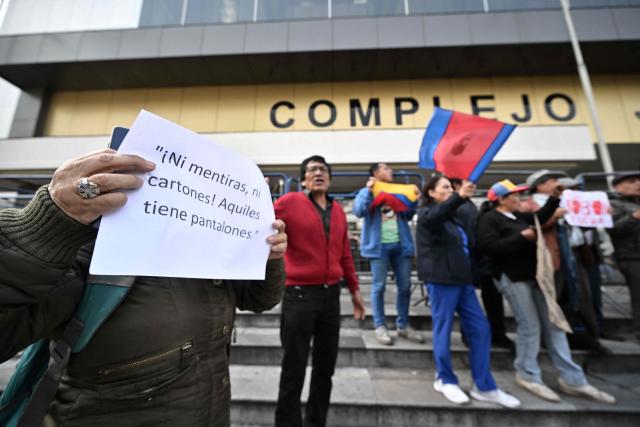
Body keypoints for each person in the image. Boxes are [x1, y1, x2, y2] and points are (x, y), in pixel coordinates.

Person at [0, 148, 288, 426]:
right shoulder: (93, 254)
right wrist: (46, 225)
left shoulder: (209, 257)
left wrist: (270, 257)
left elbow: (259, 300)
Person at [477, 179, 615, 404]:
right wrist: (520, 238)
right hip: (513, 278)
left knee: (553, 323)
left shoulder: (519, 217)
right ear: (501, 199)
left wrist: (554, 198)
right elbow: (488, 248)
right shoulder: (489, 219)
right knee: (530, 325)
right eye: (514, 195)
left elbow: (539, 218)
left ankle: (573, 378)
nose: (519, 199)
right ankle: (527, 374)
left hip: (536, 277)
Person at [274, 155, 366, 427]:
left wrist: (355, 291)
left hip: (330, 298)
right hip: (298, 295)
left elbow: (345, 254)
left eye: (323, 169)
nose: (318, 173)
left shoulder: (337, 210)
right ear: (303, 178)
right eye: (312, 170)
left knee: (325, 369)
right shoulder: (288, 203)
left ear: (329, 178)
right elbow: (264, 226)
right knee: (294, 369)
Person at [416, 176, 520, 408]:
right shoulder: (427, 214)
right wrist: (460, 196)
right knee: (443, 329)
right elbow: (436, 216)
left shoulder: (455, 218)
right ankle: (445, 379)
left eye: (452, 188)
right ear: (431, 193)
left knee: (481, 329)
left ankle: (484, 386)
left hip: (463, 282)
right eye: (445, 188)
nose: (451, 191)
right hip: (442, 279)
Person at [353, 162, 423, 345]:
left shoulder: (398, 191)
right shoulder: (366, 191)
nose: (390, 171)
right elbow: (359, 211)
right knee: (379, 287)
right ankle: (380, 326)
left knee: (405, 286)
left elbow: (407, 215)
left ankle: (403, 325)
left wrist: (414, 201)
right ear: (375, 173)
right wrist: (369, 192)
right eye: (385, 168)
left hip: (400, 245)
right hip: (379, 247)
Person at [449, 177, 513, 350]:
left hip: (481, 257)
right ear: (456, 186)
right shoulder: (455, 205)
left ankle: (497, 333)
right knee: (467, 300)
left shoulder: (468, 205)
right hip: (467, 258)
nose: (473, 184)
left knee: (491, 297)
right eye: (466, 181)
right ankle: (470, 335)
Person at [608, 171, 640, 343]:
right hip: (631, 256)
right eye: (632, 181)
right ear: (617, 186)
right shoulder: (612, 204)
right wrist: (634, 218)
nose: (638, 184)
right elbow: (613, 229)